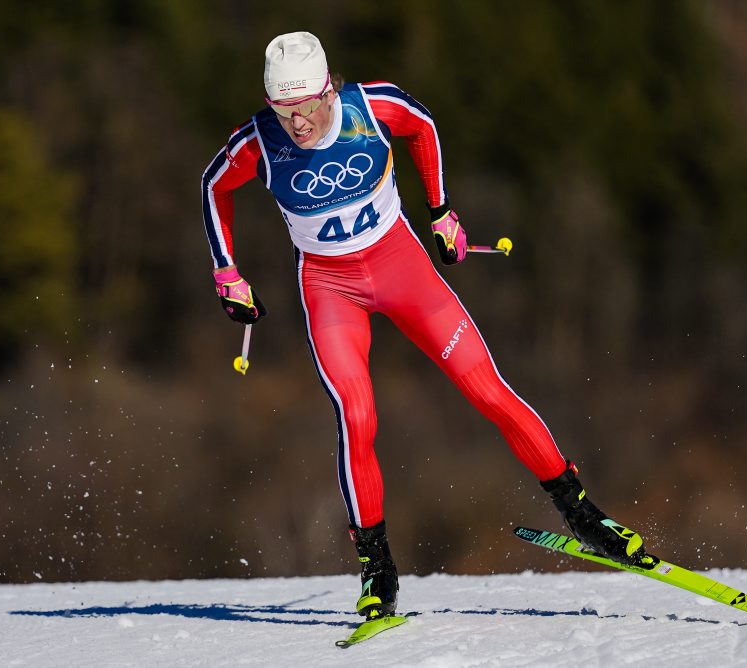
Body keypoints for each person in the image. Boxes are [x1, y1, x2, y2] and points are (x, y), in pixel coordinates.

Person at [201, 31, 646, 621]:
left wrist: (439, 210)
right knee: (357, 416)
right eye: (284, 109)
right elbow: (212, 187)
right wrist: (227, 272)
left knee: (486, 388)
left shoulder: (371, 107)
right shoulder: (258, 142)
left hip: (400, 266)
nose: (298, 122)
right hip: (330, 288)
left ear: (329, 87)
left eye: (306, 105)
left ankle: (585, 516)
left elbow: (423, 127)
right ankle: (377, 569)